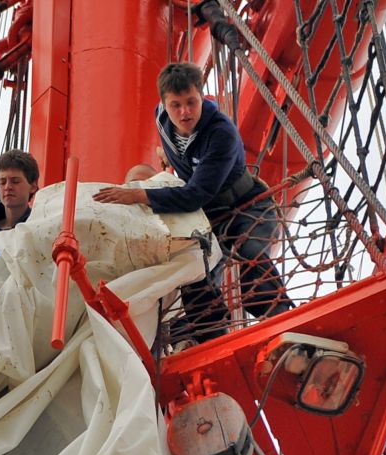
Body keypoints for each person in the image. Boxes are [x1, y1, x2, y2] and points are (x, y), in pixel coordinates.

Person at [93, 61, 291, 340]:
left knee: (252, 257)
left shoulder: (221, 134)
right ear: (164, 104)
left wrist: (138, 194)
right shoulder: (161, 119)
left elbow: (194, 195)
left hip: (247, 205)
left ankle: (285, 325)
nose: (184, 112)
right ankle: (210, 337)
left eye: (191, 102)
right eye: (176, 105)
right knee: (192, 268)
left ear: (201, 96)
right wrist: (167, 157)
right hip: (208, 213)